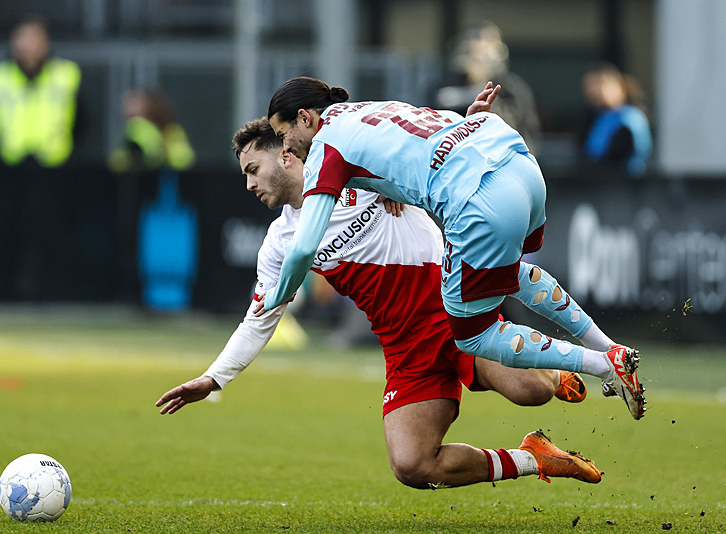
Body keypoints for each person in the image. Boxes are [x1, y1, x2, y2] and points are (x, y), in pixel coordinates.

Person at [156, 113, 604, 489]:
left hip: (454, 311)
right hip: (404, 344)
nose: (249, 184)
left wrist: (470, 122)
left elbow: (425, 145)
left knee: (531, 393)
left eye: (252, 169)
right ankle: (534, 458)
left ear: (287, 155)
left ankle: (551, 368)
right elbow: (260, 320)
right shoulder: (279, 243)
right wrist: (213, 379)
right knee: (413, 465)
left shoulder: (357, 169)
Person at [261, 76, 646, 420]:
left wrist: (279, 295)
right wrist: (468, 119)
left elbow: (302, 249)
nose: (286, 147)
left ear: (305, 118)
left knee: (472, 336)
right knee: (508, 274)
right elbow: (423, 135)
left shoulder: (326, 146)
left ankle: (603, 363)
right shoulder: (372, 107)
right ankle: (609, 345)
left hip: (477, 199)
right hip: (515, 162)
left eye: (283, 134)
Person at [0, 15, 83, 168]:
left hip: (57, 165)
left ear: (46, 42)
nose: (29, 45)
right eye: (24, 38)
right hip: (8, 165)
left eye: (35, 37)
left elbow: (83, 120)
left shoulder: (66, 74)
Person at [431, 20, 541, 155]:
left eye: (488, 42)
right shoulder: (443, 86)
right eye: (474, 39)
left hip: (503, 159)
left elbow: (527, 131)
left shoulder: (512, 88)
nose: (479, 46)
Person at [580, 62, 652, 176]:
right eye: (590, 86)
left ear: (618, 86)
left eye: (600, 84)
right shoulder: (595, 118)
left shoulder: (629, 118)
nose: (593, 91)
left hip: (624, 187)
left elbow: (616, 157)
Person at [108, 89, 196, 174]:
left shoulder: (172, 131)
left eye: (139, 114)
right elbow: (116, 162)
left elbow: (183, 160)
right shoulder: (129, 131)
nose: (135, 120)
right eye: (131, 116)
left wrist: (160, 149)